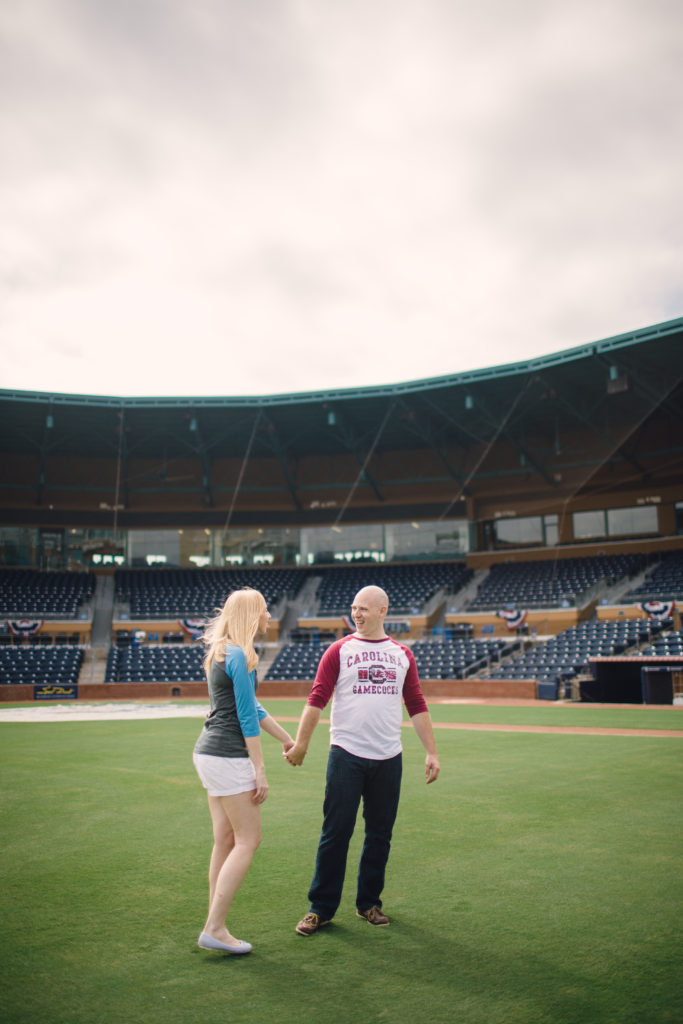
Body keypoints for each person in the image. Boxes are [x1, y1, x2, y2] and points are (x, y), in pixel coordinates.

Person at [285, 585, 440, 935]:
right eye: (354, 607)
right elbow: (317, 700)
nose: (356, 614)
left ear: (383, 611)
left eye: (364, 608)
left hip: (389, 757)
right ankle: (320, 909)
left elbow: (415, 704)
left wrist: (431, 751)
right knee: (335, 833)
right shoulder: (339, 651)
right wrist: (302, 745)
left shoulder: (402, 654)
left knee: (380, 835)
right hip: (346, 754)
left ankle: (369, 903)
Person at [193, 587, 294, 954]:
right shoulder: (240, 655)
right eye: (265, 610)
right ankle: (216, 928)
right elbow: (246, 716)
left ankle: (212, 924)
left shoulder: (224, 651)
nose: (269, 616)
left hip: (209, 754)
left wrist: (287, 739)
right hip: (228, 755)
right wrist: (260, 768)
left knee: (224, 840)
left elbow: (252, 704)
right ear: (251, 615)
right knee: (248, 840)